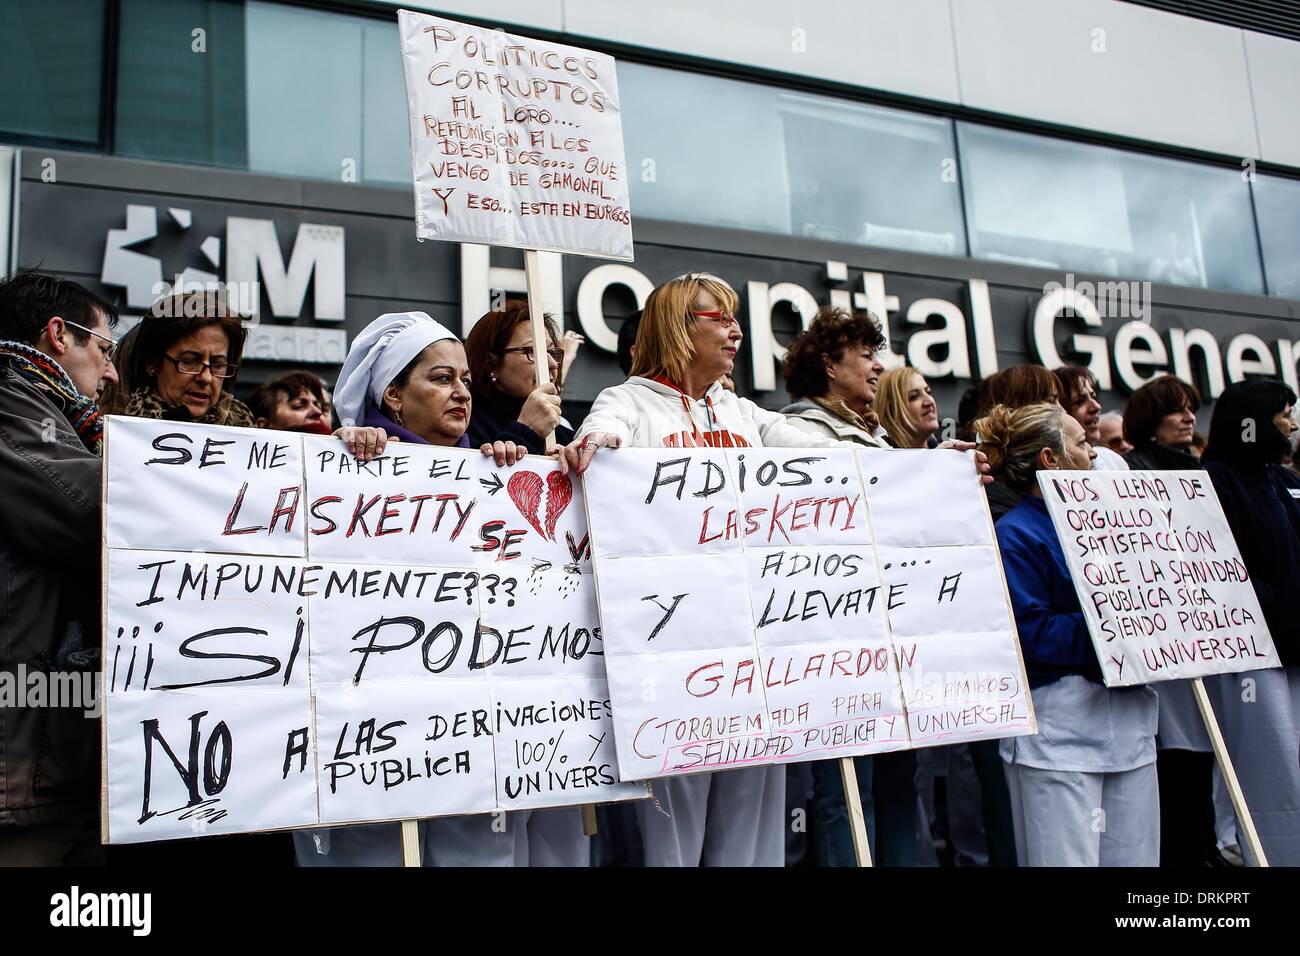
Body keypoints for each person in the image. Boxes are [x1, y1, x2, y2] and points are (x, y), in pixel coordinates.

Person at [557, 272, 851, 867]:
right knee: (673, 843)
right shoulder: (629, 402)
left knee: (754, 842)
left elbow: (831, 457)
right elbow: (599, 440)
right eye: (720, 318)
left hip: (756, 654)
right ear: (676, 327)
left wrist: (924, 467)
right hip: (673, 659)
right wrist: (600, 445)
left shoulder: (745, 413)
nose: (737, 330)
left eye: (735, 317)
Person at [295, 311, 531, 867]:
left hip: (470, 723)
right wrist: (338, 452)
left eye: (466, 381)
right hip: (368, 732)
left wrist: (511, 466)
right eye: (441, 378)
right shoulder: (344, 462)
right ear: (393, 395)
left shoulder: (487, 464)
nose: (461, 393)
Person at [978, 401, 1159, 865]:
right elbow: (1031, 632)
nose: (1095, 452)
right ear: (1050, 459)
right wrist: (1118, 625)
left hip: (1132, 731)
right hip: (1061, 740)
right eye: (1082, 442)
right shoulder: (1016, 534)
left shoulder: (1116, 524)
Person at [776, 306, 917, 865]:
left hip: (894, 635)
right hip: (839, 642)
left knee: (897, 780)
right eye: (866, 357)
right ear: (830, 365)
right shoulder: (796, 434)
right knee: (845, 789)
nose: (878, 368)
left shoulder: (879, 441)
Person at [0, 271, 118, 865]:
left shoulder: (60, 420)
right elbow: (92, 511)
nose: (112, 371)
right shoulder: (8, 399)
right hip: (19, 756)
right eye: (104, 348)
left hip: (52, 747)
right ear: (57, 335)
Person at [1200, 379, 1300, 866]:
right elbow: (1224, 568)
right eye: (1284, 414)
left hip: (1293, 646)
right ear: (1253, 423)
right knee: (1271, 769)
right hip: (1254, 655)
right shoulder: (1217, 479)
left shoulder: (1278, 479)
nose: (1294, 424)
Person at [106, 292, 386, 461]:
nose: (206, 378)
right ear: (153, 363)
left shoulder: (255, 442)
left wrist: (340, 447)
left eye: (218, 365)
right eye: (190, 362)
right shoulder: (108, 435)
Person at [1122, 373, 1218, 867]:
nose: (1188, 418)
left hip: (1197, 633)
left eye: (1191, 408)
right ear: (1150, 420)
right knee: (1175, 754)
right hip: (1162, 637)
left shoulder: (1198, 472)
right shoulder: (1132, 472)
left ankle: (1202, 847)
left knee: (1204, 749)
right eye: (1176, 409)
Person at [463, 302, 573, 456]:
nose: (552, 363)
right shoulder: (464, 427)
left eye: (552, 352)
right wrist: (527, 431)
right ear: (490, 363)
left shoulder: (566, 439)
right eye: (532, 351)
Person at [1053, 365, 1128, 470]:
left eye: (1093, 396)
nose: (1096, 407)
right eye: (1079, 401)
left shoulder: (1113, 461)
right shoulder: (1051, 472)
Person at [874, 367, 940, 449]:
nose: (929, 402)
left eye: (928, 392)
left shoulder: (948, 456)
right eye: (914, 397)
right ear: (891, 411)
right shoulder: (879, 459)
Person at [248, 370, 332, 434]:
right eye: (299, 406)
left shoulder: (343, 445)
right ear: (265, 426)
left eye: (319, 407)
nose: (318, 412)